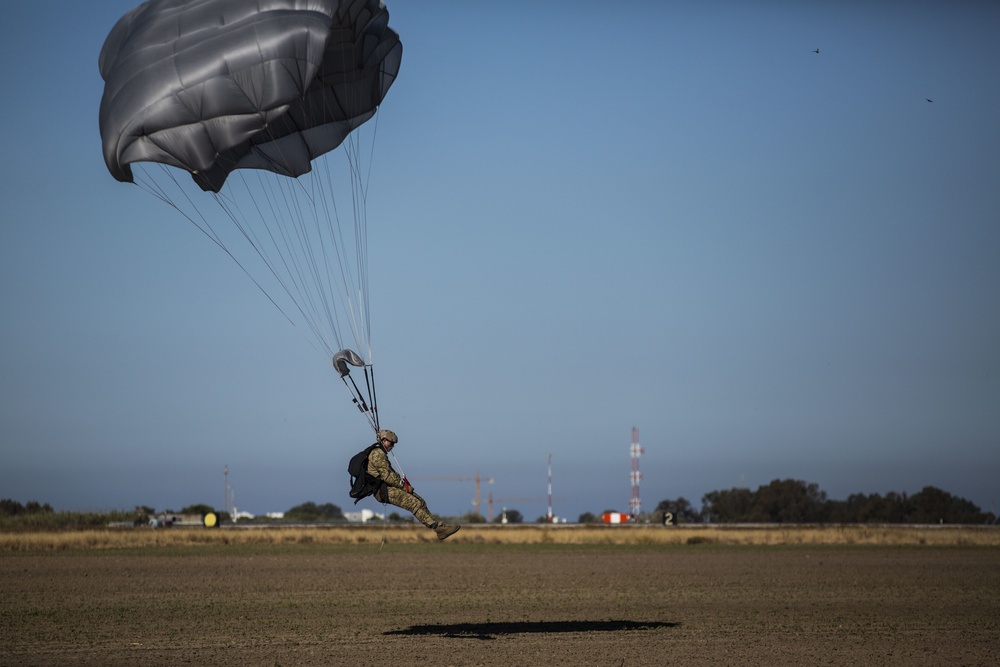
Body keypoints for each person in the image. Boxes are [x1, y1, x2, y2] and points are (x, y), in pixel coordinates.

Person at [368, 429, 460, 541]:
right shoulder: (377, 454)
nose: (392, 446)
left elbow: (390, 474)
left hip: (388, 487)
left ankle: (440, 527)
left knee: (420, 500)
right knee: (414, 503)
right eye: (391, 443)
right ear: (384, 441)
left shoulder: (381, 454)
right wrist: (403, 487)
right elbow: (387, 476)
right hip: (382, 490)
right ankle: (437, 528)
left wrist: (404, 484)